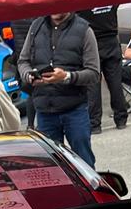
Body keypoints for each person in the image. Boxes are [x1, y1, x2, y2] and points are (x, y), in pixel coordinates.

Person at [18, 12, 99, 166]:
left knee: (84, 162)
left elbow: (94, 73)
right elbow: (23, 61)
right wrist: (29, 75)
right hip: (45, 111)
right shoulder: (36, 26)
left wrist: (66, 77)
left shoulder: (84, 29)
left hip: (75, 109)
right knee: (53, 166)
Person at [77, 6, 128, 133]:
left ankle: (94, 124)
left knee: (93, 84)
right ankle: (121, 119)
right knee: (115, 83)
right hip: (111, 40)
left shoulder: (83, 2)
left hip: (92, 42)